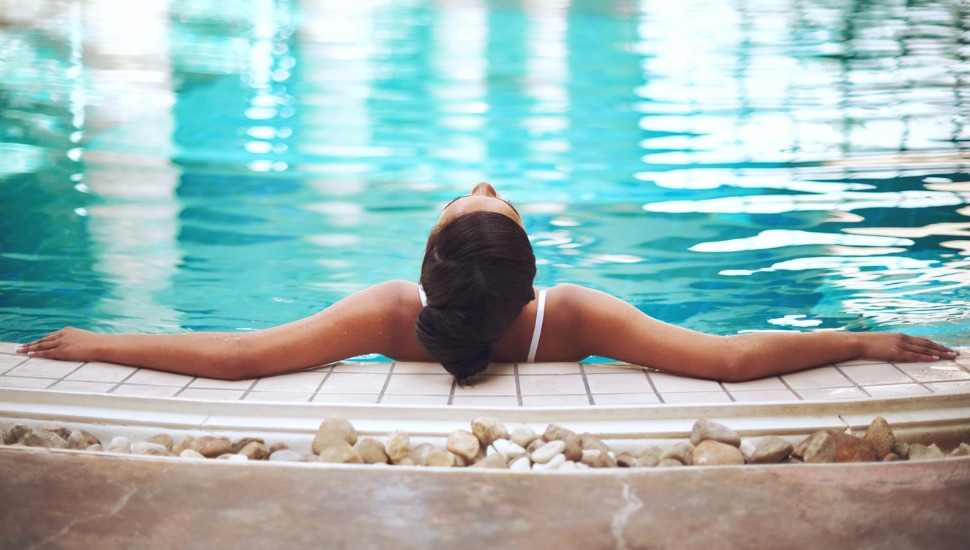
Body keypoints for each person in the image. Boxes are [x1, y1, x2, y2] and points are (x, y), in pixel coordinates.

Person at [16, 182, 958, 383]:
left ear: (428, 264)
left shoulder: (392, 312)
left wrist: (100, 342)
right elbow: (729, 359)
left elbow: (238, 356)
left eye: (480, 199)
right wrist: (863, 341)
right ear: (529, 273)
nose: (484, 187)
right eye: (493, 201)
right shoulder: (571, 317)